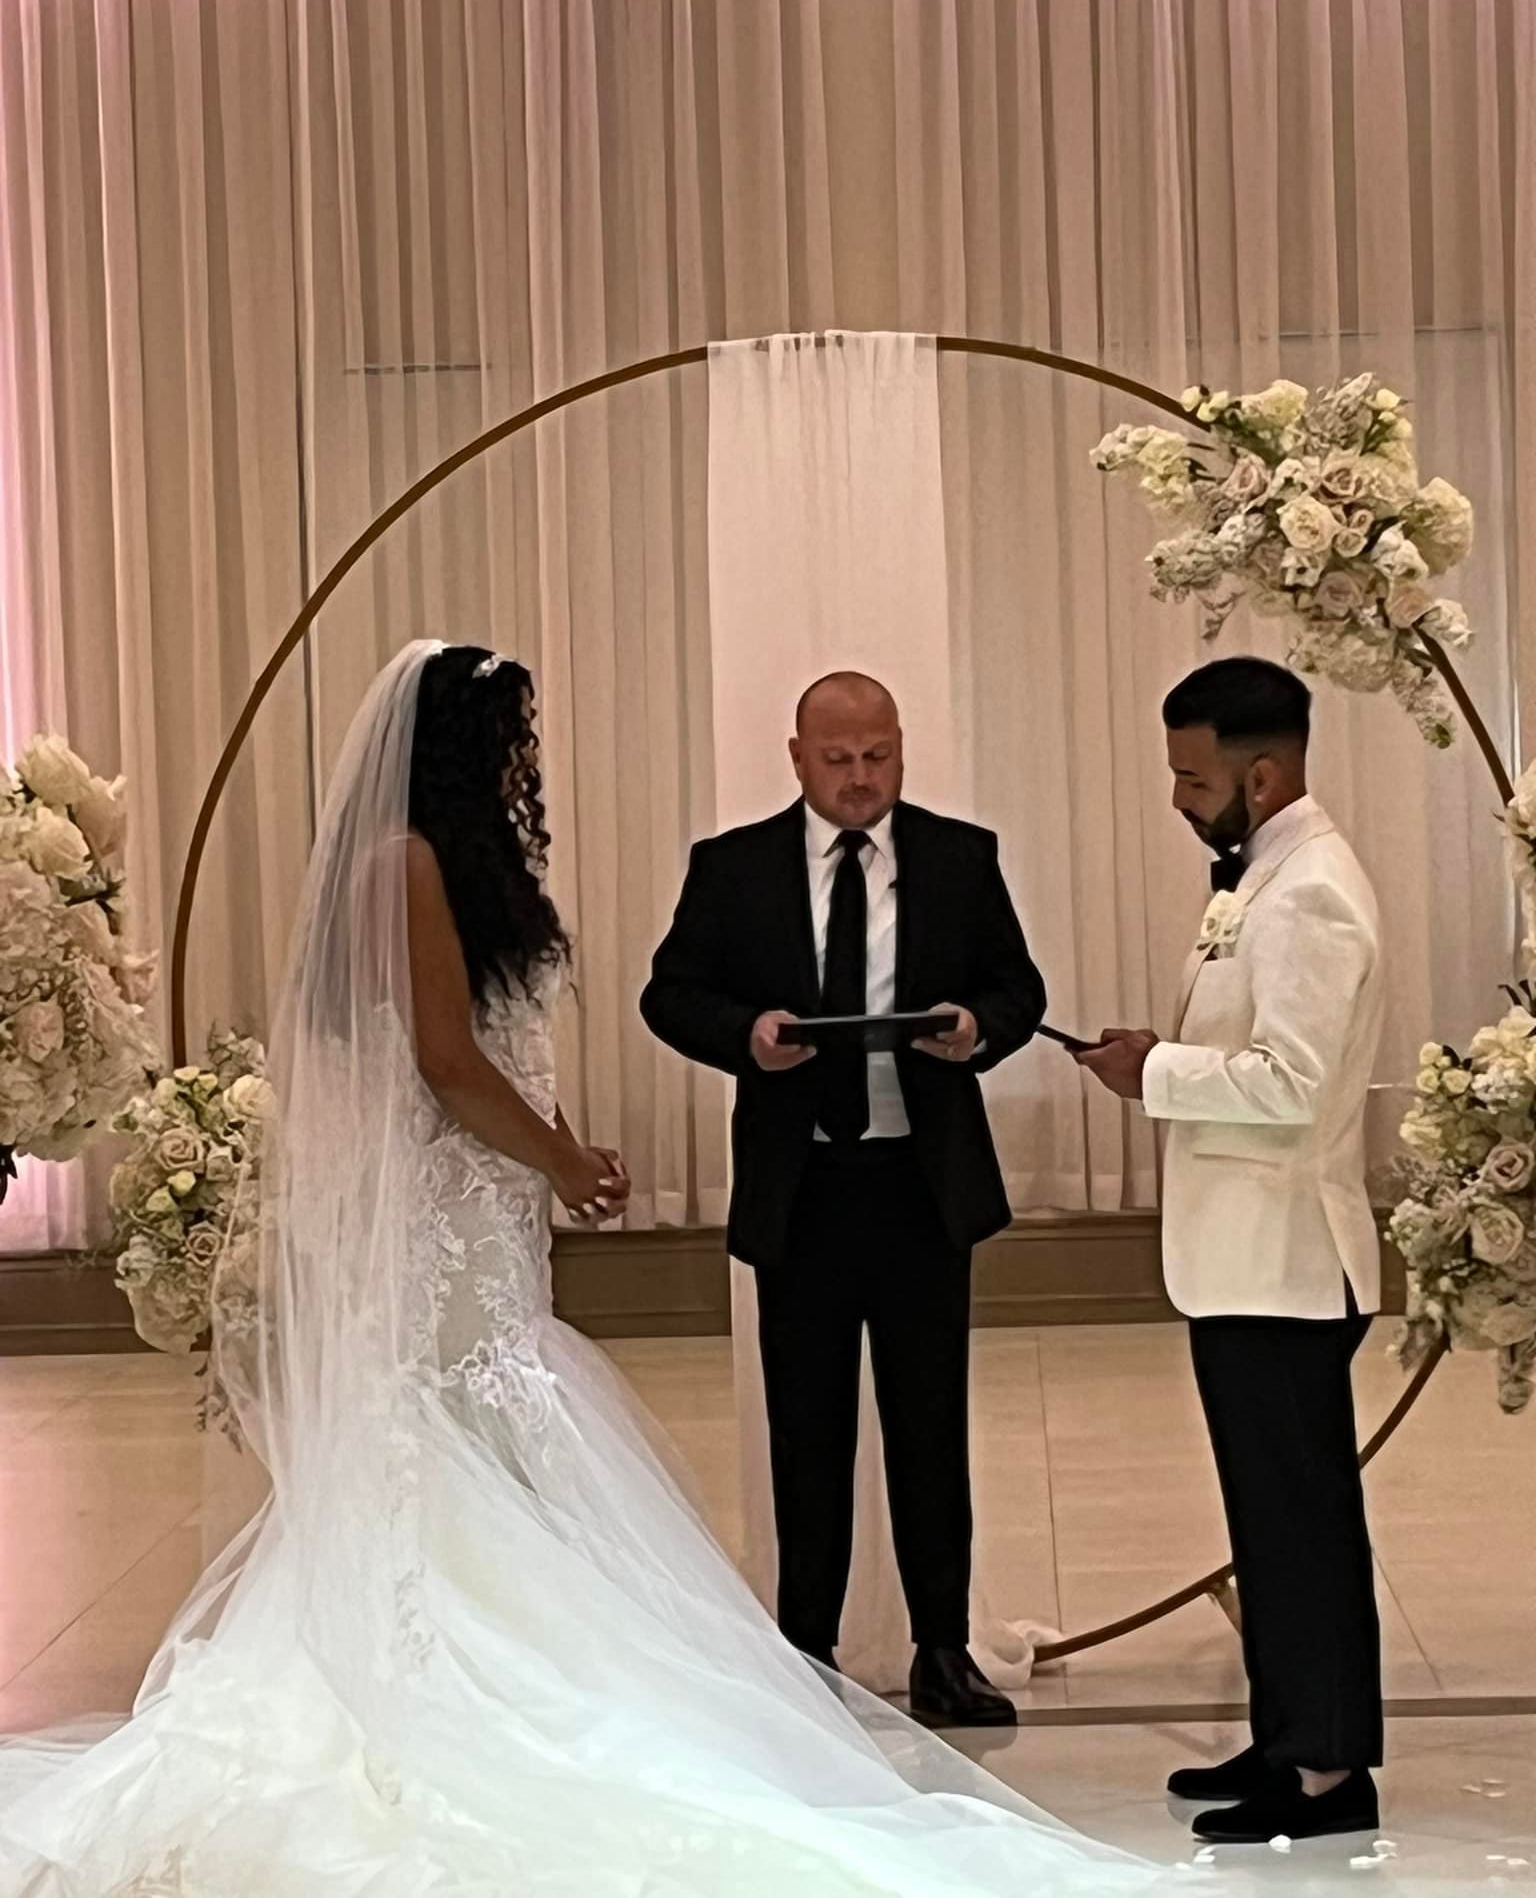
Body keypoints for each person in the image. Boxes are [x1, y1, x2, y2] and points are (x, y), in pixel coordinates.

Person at [0, 640, 1162, 1897]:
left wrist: (562, 1149)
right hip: (508, 1203)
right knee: (500, 1432)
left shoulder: (493, 863)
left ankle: (906, 1640)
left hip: (631, 1196)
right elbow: (456, 1056)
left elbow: (495, 1047)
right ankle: (686, 1655)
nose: (527, 760)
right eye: (512, 738)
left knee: (859, 1422)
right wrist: (587, 1134)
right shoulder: (427, 863)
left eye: (879, 753)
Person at [641, 672, 1045, 1729]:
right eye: (838, 759)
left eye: (879, 756)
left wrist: (975, 1028)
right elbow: (670, 993)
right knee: (806, 1428)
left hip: (921, 1184)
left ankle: (943, 1648)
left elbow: (1019, 989)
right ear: (797, 758)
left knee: (930, 1424)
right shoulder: (733, 867)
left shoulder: (960, 857)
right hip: (804, 1186)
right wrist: (746, 1036)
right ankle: (807, 1652)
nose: (861, 778)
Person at [1076, 656, 1385, 1846]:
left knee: (1302, 1524)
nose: (1177, 798)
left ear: (1261, 776)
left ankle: (1329, 1770)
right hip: (1244, 1261)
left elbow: (1292, 1082)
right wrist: (1159, 1050)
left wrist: (1152, 1071)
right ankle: (1288, 1732)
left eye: (1193, 778)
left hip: (1287, 1260)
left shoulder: (1312, 891)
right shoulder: (1265, 876)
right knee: (1268, 1522)